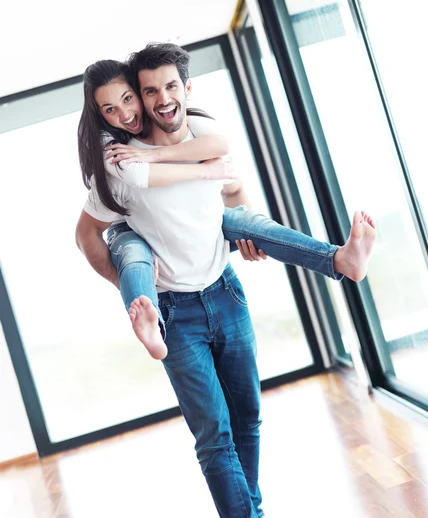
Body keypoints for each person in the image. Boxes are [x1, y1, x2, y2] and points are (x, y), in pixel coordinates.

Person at [76, 42, 376, 517]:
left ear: (183, 89)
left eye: (156, 91)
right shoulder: (117, 161)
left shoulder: (199, 128)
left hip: (225, 291)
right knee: (215, 436)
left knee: (248, 420)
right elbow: (87, 233)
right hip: (175, 313)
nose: (145, 104)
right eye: (142, 94)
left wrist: (240, 227)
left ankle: (339, 259)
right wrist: (124, 285)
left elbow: (231, 186)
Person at [76, 58, 376, 364]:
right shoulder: (115, 152)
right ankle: (149, 322)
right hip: (152, 266)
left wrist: (252, 239)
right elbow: (128, 186)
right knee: (133, 254)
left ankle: (338, 259)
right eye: (110, 108)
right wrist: (120, 280)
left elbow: (227, 168)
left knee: (243, 220)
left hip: (215, 269)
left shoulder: (191, 127)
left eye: (128, 99)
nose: (126, 113)